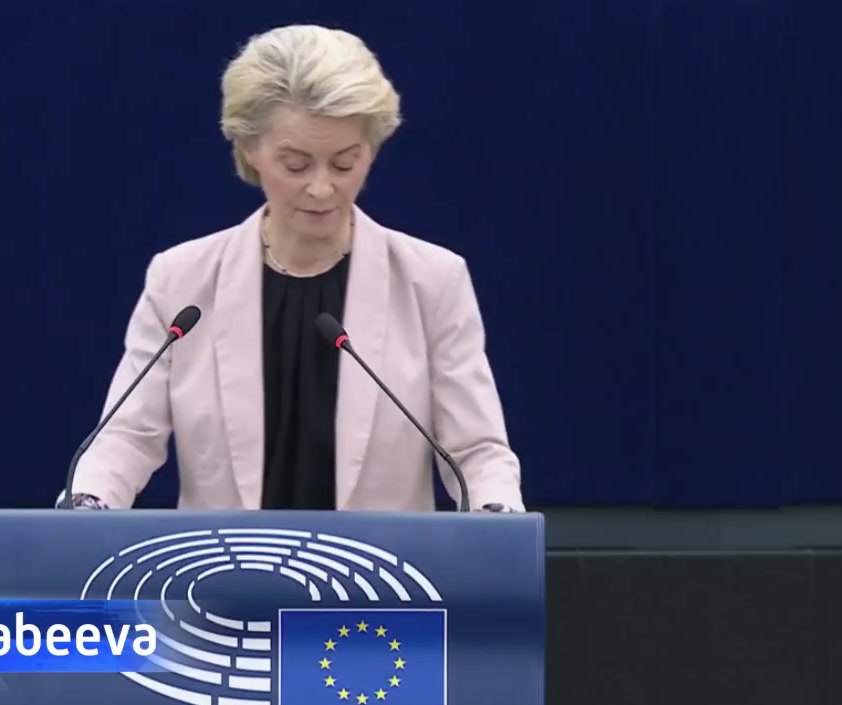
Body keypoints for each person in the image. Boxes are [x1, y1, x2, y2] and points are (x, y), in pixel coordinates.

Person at [61, 24, 523, 513]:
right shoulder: (182, 281)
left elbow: (476, 451)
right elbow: (127, 436)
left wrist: (496, 513)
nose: (322, 189)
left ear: (371, 150)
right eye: (297, 165)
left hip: (380, 564)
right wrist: (88, 501)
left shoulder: (432, 282)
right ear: (249, 149)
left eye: (344, 164)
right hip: (225, 561)